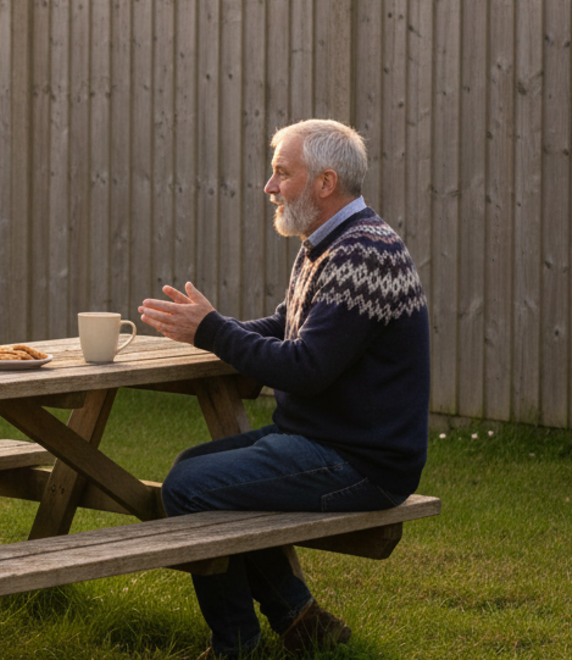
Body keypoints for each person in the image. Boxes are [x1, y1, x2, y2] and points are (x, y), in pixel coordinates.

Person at [138, 119, 430, 659]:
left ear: (324, 182)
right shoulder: (327, 242)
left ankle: (236, 646)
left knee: (190, 487)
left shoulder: (363, 253)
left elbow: (304, 368)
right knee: (192, 473)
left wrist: (212, 330)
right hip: (325, 441)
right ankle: (300, 620)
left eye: (281, 173)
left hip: (362, 462)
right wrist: (198, 333)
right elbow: (286, 326)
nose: (269, 187)